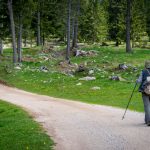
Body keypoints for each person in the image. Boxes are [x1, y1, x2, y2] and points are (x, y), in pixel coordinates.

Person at [137, 60, 150, 126]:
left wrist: (137, 80)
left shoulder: (143, 71)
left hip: (145, 91)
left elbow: (139, 81)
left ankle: (148, 121)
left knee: (147, 106)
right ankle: (146, 120)